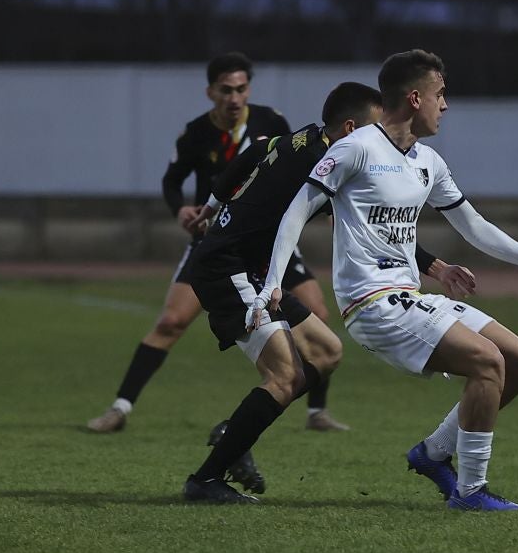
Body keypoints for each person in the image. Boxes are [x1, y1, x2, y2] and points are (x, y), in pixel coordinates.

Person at [260, 49, 518, 511]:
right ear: (415, 98)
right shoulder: (356, 147)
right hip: (371, 304)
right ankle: (470, 492)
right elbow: (298, 208)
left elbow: (474, 226)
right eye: (440, 94)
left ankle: (432, 454)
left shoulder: (428, 160)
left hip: (409, 296)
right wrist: (275, 281)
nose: (445, 105)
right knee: (488, 363)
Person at [180, 81, 477, 503]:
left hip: (254, 268)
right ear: (351, 127)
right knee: (285, 376)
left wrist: (211, 205)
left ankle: (234, 435)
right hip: (230, 270)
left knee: (326, 350)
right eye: (375, 129)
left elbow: (254, 150)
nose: (382, 138)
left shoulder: (300, 139)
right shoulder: (332, 161)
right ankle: (206, 478)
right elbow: (371, 221)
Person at [85, 53, 349, 437]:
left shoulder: (270, 121)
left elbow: (296, 166)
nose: (234, 97)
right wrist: (181, 210)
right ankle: (119, 408)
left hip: (272, 243)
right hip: (217, 242)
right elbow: (172, 180)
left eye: (241, 89)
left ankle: (316, 411)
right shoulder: (196, 133)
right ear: (211, 92)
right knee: (171, 321)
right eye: (226, 90)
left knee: (318, 314)